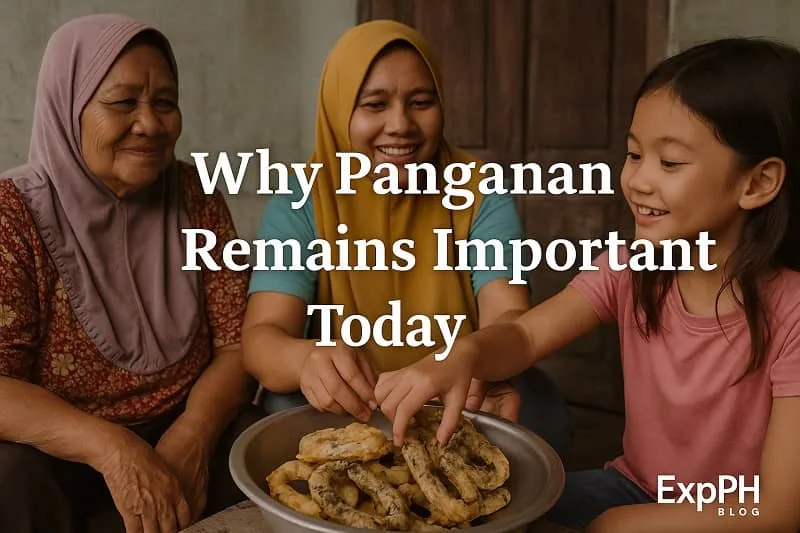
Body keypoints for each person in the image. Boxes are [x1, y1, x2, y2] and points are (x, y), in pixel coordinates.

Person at [374, 37, 800, 533]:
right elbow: (526, 336)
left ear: (757, 183)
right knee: (484, 513)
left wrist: (622, 525)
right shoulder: (629, 269)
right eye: (634, 154)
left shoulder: (792, 312)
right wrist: (463, 355)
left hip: (736, 518)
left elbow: (778, 510)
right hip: (632, 488)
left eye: (669, 163)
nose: (637, 180)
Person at [242, 20, 573, 457]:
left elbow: (508, 314)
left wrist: (469, 359)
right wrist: (306, 360)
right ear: (338, 109)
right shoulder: (301, 199)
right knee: (282, 406)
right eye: (374, 105)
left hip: (454, 390)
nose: (401, 125)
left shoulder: (480, 191)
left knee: (540, 411)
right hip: (354, 401)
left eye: (421, 102)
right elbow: (262, 336)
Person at [0, 14, 262, 533]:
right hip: (62, 455)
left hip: (185, 436)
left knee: (263, 444)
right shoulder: (13, 213)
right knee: (8, 479)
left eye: (165, 102)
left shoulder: (197, 197)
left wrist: (194, 434)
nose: (150, 124)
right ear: (68, 106)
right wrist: (113, 449)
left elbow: (238, 346)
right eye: (123, 102)